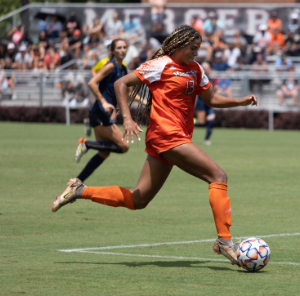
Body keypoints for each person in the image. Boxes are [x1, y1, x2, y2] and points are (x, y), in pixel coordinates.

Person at [52, 26, 258, 267]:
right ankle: (224, 242)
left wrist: (240, 102)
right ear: (179, 45)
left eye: (198, 49)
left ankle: (79, 190)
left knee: (139, 200)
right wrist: (127, 118)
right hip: (166, 136)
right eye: (193, 48)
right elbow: (121, 84)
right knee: (218, 175)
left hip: (175, 138)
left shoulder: (196, 70)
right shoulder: (161, 64)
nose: (196, 53)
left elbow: (211, 99)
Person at [71, 39, 144, 181]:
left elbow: (129, 94)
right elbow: (92, 83)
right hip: (100, 111)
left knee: (104, 153)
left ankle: (77, 182)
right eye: (119, 48)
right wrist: (104, 102)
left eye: (124, 47)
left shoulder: (123, 68)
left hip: (100, 113)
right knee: (124, 146)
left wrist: (146, 102)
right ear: (112, 50)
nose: (122, 50)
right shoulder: (110, 66)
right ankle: (85, 143)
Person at [194, 62, 215, 146]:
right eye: (205, 68)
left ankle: (206, 140)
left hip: (209, 103)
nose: (207, 70)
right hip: (201, 102)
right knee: (201, 122)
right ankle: (190, 121)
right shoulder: (199, 78)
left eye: (208, 68)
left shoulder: (212, 79)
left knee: (211, 120)